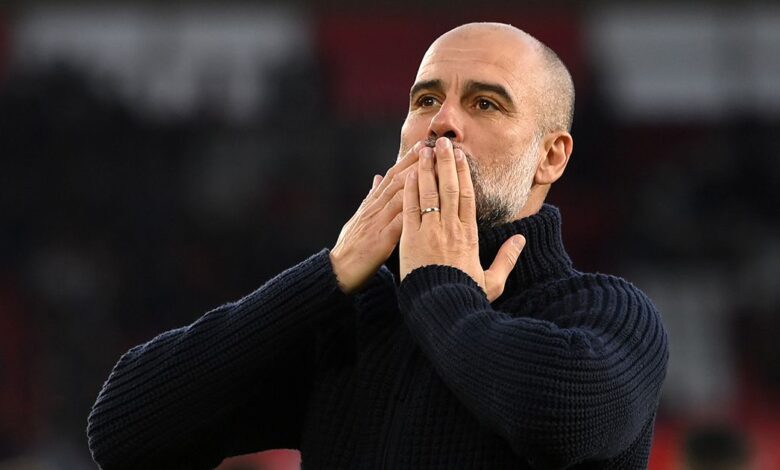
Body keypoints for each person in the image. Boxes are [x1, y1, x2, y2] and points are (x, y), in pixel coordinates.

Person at [87, 22, 668, 469]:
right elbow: (125, 432)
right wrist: (330, 273)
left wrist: (440, 289)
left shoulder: (606, 315)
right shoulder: (358, 325)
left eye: (485, 104)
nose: (442, 123)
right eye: (425, 100)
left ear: (551, 156)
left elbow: (558, 417)